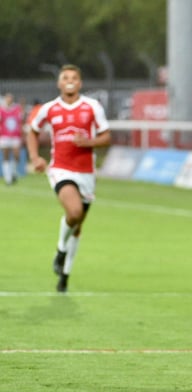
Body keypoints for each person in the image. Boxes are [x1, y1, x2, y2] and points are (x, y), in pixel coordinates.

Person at [26, 64, 111, 292]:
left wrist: (89, 142)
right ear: (59, 83)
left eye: (74, 77)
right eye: (65, 77)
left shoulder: (92, 107)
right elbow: (33, 131)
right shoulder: (49, 109)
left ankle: (65, 273)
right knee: (73, 212)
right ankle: (61, 249)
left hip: (86, 173)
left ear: (80, 83)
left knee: (78, 226)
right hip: (60, 169)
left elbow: (106, 136)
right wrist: (35, 158)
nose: (70, 81)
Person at [0, 93, 24, 185]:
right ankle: (8, 178)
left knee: (16, 155)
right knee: (6, 156)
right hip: (5, 136)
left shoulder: (17, 109)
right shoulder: (2, 110)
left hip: (15, 136)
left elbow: (20, 122)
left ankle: (13, 172)